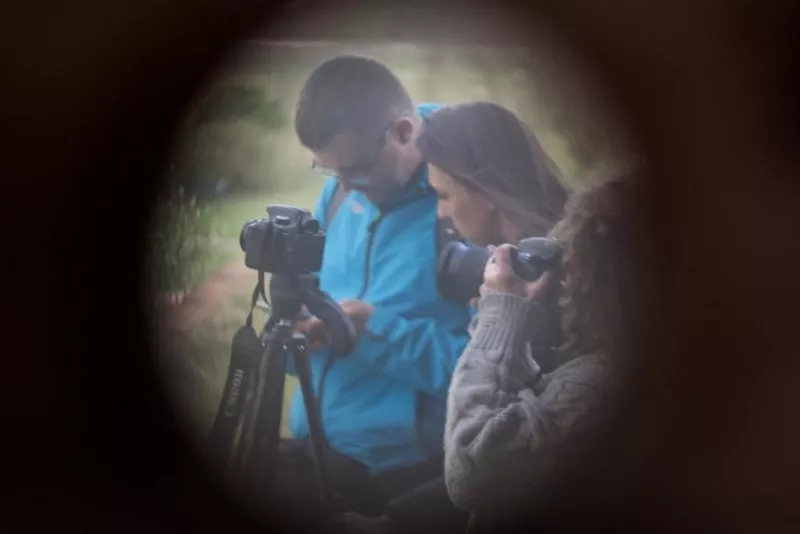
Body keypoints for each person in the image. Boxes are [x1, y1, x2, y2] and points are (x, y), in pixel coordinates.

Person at [331, 101, 570, 533]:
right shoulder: (526, 269)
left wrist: (502, 319)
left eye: (443, 196)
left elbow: (486, 462)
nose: (440, 213)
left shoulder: (556, 293)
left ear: (485, 191)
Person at [273, 55, 473, 527]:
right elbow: (311, 302)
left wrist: (370, 332)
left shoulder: (462, 204)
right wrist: (297, 331)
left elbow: (484, 371)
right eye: (330, 171)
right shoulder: (340, 192)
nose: (346, 188)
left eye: (357, 168)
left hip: (401, 478)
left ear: (403, 131)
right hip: (315, 449)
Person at [442, 172, 642, 532]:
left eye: (572, 263)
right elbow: (530, 418)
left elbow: (470, 471)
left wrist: (500, 320)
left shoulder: (605, 381)